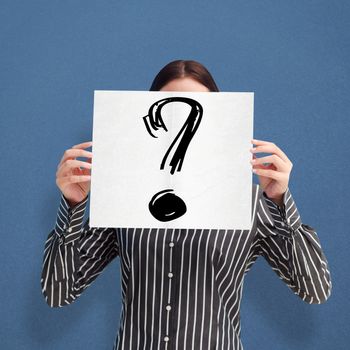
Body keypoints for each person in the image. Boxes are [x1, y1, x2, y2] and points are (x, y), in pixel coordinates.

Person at [41, 59, 332, 350]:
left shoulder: (251, 203)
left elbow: (314, 289)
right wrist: (72, 205)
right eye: (170, 110)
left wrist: (281, 202)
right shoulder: (123, 197)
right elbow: (59, 291)